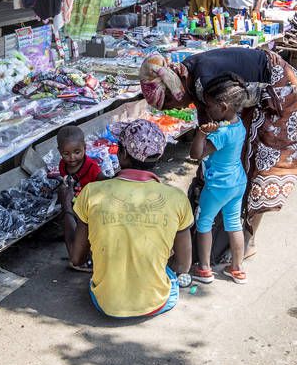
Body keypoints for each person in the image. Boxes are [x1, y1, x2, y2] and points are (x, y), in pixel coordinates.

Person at [138, 47, 297, 259]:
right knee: (237, 162)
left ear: (175, 91)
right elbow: (209, 143)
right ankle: (233, 234)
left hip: (282, 95)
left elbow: (208, 145)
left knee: (261, 168)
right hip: (254, 93)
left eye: (171, 104)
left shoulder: (204, 84)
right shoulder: (190, 76)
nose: (178, 108)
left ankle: (248, 239)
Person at [68, 119, 194, 316]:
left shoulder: (92, 192)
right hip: (156, 303)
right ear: (159, 155)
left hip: (105, 303)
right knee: (167, 272)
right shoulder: (177, 198)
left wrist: (66, 208)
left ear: (123, 154)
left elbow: (77, 258)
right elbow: (183, 265)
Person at [189, 78, 248, 284]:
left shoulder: (221, 134)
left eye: (210, 105)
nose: (207, 109)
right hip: (238, 182)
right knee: (233, 223)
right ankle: (237, 268)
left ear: (223, 107)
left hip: (218, 186)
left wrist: (200, 135)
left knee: (204, 222)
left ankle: (204, 268)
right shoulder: (238, 124)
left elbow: (196, 154)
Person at [55, 125, 102, 272]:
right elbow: (65, 179)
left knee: (88, 235)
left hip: (89, 208)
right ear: (60, 152)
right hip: (74, 203)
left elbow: (102, 181)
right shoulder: (63, 165)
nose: (72, 158)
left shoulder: (91, 167)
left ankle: (87, 257)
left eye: (77, 152)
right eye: (66, 154)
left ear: (85, 148)